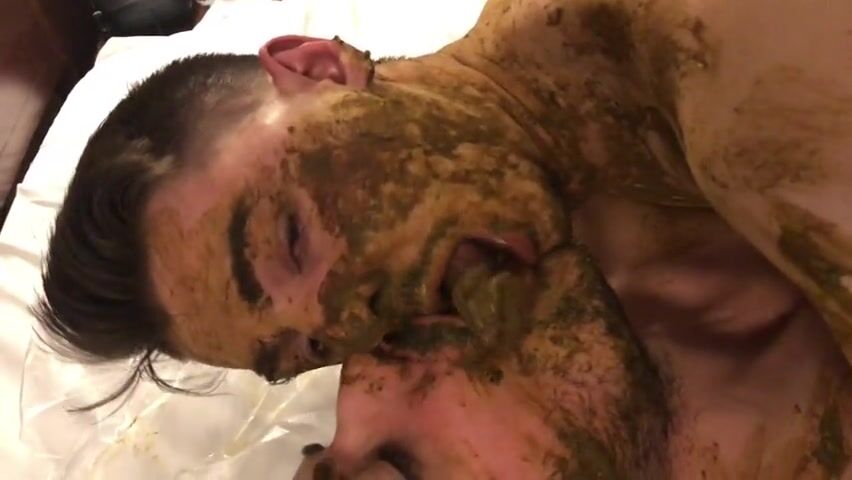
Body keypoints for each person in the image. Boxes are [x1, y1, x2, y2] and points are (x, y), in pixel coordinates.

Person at [36, 0, 852, 477]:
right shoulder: (555, 290)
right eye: (311, 346)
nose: (358, 316)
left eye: (292, 237)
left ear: (319, 68)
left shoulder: (728, 63)